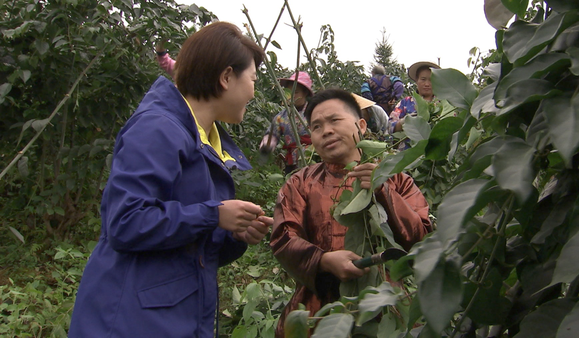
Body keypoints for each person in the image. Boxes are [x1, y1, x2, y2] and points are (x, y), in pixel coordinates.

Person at [69, 22, 274, 338]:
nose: (253, 91)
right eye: (252, 80)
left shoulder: (203, 142)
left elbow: (191, 248)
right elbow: (125, 221)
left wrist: (235, 233)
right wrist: (213, 214)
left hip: (169, 316)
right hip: (129, 321)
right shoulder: (158, 129)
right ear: (227, 77)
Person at [270, 88, 433, 337]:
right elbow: (283, 238)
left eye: (335, 120)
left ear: (362, 125)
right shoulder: (300, 183)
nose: (326, 131)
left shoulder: (396, 179)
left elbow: (422, 239)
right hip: (320, 309)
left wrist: (384, 191)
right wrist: (323, 260)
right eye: (316, 126)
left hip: (385, 306)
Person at [259, 72, 314, 174]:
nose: (291, 96)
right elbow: (273, 134)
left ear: (305, 93)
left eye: (296, 92)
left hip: (313, 161)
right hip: (292, 164)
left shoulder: (314, 112)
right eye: (288, 92)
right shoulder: (282, 117)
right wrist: (267, 146)